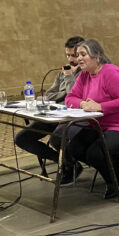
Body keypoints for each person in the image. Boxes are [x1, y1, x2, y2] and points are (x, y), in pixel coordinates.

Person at [65, 39, 119, 200]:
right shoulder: (84, 76)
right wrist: (82, 103)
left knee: (96, 152)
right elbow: (70, 98)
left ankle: (118, 181)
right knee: (74, 148)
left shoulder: (110, 72)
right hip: (101, 124)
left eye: (83, 54)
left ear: (96, 56)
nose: (79, 59)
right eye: (78, 55)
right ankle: (115, 168)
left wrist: (100, 107)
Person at [15, 36, 84, 184]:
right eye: (67, 55)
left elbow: (74, 97)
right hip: (53, 114)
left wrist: (69, 79)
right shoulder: (63, 72)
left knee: (57, 138)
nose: (70, 59)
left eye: (74, 55)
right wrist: (63, 92)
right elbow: (49, 95)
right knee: (22, 138)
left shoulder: (84, 73)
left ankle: (70, 165)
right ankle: (64, 162)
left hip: (73, 118)